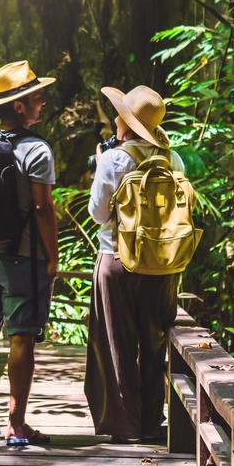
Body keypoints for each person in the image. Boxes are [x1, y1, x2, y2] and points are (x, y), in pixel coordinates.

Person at [0, 61, 60, 447]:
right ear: (19, 106)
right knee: (21, 337)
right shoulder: (36, 150)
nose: (42, 102)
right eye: (36, 97)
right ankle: (16, 425)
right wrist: (52, 257)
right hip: (23, 257)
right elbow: (42, 209)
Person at [85, 85, 184, 443]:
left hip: (117, 261)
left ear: (126, 124)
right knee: (154, 343)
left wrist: (100, 167)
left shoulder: (115, 159)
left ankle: (122, 423)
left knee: (116, 344)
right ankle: (151, 421)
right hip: (162, 266)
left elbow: (97, 214)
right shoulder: (173, 159)